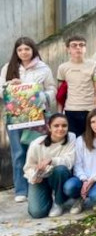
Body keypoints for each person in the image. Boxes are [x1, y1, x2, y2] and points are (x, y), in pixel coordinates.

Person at [1, 36, 57, 202]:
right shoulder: (8, 68)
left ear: (33, 50)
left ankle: (39, 185)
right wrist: (11, 86)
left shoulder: (43, 68)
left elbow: (52, 90)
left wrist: (39, 94)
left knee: (37, 151)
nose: (23, 52)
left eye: (27, 49)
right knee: (18, 153)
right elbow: (1, 91)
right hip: (15, 118)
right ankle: (21, 190)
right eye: (20, 50)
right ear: (16, 52)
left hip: (37, 118)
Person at [24, 113, 76, 219]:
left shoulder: (71, 137)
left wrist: (51, 160)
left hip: (58, 175)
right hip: (41, 177)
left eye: (64, 126)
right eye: (56, 126)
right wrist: (33, 177)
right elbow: (28, 167)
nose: (60, 129)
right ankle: (47, 197)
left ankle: (59, 202)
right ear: (49, 127)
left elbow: (70, 161)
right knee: (37, 213)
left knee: (60, 170)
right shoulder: (37, 144)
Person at [56, 35, 96, 135]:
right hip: (70, 110)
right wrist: (59, 113)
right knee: (73, 141)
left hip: (90, 109)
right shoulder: (63, 67)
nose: (78, 48)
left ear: (85, 48)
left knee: (90, 140)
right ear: (68, 49)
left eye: (81, 45)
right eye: (74, 45)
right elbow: (60, 93)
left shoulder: (94, 65)